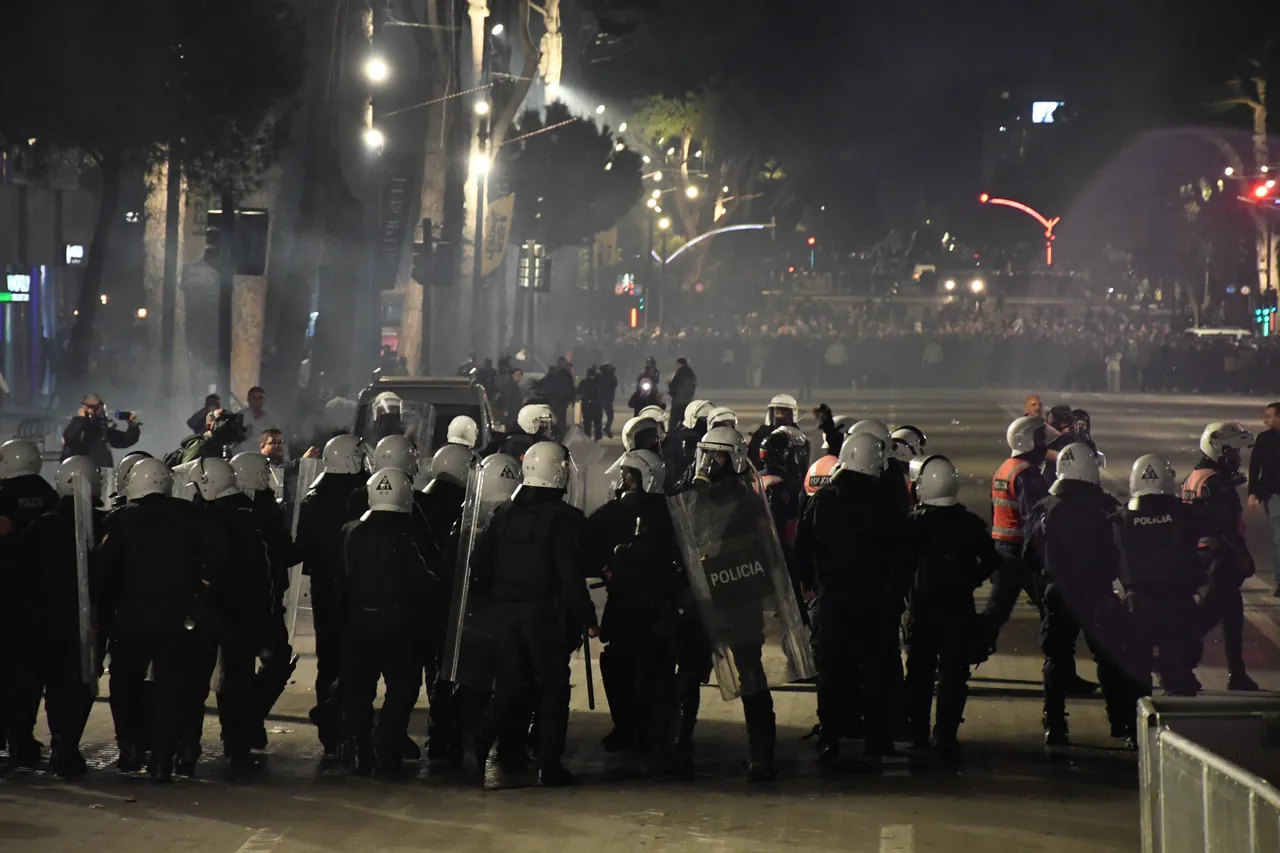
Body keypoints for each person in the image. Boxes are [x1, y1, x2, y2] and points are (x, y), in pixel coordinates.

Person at [471, 442, 598, 786]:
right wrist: (587, 617)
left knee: (510, 686)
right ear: (558, 473)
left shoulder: (504, 514)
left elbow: (479, 563)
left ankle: (478, 748)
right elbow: (570, 577)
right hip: (543, 615)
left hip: (505, 615)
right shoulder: (564, 520)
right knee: (553, 688)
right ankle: (549, 764)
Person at [96, 458, 224, 781]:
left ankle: (130, 746)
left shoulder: (120, 520)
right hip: (177, 618)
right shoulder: (190, 515)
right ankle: (163, 758)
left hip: (131, 618)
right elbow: (212, 561)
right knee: (171, 687)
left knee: (124, 681)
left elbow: (103, 571)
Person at [793, 431, 905, 762]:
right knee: (874, 670)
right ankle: (877, 739)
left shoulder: (822, 499)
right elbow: (901, 553)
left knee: (832, 671)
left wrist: (812, 583)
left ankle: (830, 734)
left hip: (833, 600)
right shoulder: (886, 502)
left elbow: (801, 549)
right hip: (875, 601)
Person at [1025, 443, 1137, 747]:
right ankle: (1120, 722)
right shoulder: (1104, 505)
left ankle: (1055, 724)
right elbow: (1122, 548)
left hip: (1058, 592)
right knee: (1110, 660)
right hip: (1097, 593)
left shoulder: (1044, 507)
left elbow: (1029, 556)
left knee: (1056, 659)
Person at [901, 455, 1001, 758]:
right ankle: (945, 734)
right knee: (954, 675)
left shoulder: (913, 524)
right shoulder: (969, 524)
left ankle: (917, 733)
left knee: (918, 672)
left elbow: (898, 565)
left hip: (921, 609)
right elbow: (994, 563)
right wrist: (969, 579)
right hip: (958, 610)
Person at [340, 468, 436, 775]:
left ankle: (357, 750)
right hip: (400, 625)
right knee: (402, 688)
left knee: (359, 689)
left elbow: (338, 579)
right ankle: (387, 743)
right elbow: (428, 577)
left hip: (358, 623)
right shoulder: (411, 534)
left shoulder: (351, 531)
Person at [296, 435, 368, 754]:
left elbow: (303, 547)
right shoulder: (363, 495)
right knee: (356, 659)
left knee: (328, 659)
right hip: (357, 588)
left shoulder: (314, 497)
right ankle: (352, 726)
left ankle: (329, 727)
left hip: (324, 588)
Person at [1114, 455, 1204, 698]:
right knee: (1180, 665)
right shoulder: (1186, 515)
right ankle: (1178, 722)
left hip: (1138, 602)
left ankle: (1134, 730)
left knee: (1136, 668)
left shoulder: (1122, 519)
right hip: (1177, 602)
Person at [1184, 421, 1258, 691]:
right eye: (1230, 451)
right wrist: (1243, 555)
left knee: (1232, 618)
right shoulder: (1216, 482)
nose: (1235, 457)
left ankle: (1237, 673)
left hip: (1201, 556)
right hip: (1217, 559)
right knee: (1206, 618)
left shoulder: (1196, 475)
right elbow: (1225, 525)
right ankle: (1177, 665)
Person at [1246, 402, 1280, 598]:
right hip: (1274, 495)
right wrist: (1253, 492)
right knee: (1279, 540)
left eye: (1269, 416)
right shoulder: (1264, 439)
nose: (1265, 420)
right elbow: (1254, 466)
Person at [61, 394, 141, 468]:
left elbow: (125, 440)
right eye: (94, 408)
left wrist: (133, 426)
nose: (100, 411)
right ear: (85, 408)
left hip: (104, 474)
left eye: (100, 407)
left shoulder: (101, 429)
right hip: (82, 474)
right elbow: (69, 439)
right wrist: (80, 419)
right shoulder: (78, 426)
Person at [234, 386, 276, 454]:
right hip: (242, 455)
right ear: (248, 399)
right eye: (254, 398)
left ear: (264, 400)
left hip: (262, 456)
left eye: (260, 398)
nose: (257, 401)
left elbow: (275, 439)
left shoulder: (270, 419)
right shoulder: (239, 416)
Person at [667, 357, 697, 428]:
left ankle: (671, 437)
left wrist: (669, 384)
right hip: (687, 401)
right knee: (684, 421)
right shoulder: (691, 373)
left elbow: (674, 387)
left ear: (679, 364)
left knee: (673, 422)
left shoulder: (679, 373)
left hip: (678, 402)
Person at [578, 366, 604, 441]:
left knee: (587, 422)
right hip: (596, 404)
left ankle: (588, 437)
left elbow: (578, 392)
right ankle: (597, 437)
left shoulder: (584, 382)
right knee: (597, 422)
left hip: (587, 404)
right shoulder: (598, 381)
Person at [598, 363, 619, 438]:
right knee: (609, 415)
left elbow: (615, 384)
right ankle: (604, 429)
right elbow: (614, 384)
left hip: (604, 398)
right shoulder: (607, 376)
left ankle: (603, 430)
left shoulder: (602, 376)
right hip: (604, 398)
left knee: (602, 415)